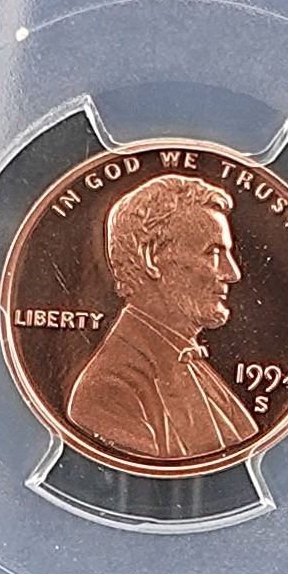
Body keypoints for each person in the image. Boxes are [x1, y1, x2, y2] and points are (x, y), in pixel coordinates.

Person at [67, 173, 259, 459]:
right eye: (213, 253)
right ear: (151, 257)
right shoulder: (109, 390)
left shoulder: (192, 364)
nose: (232, 273)